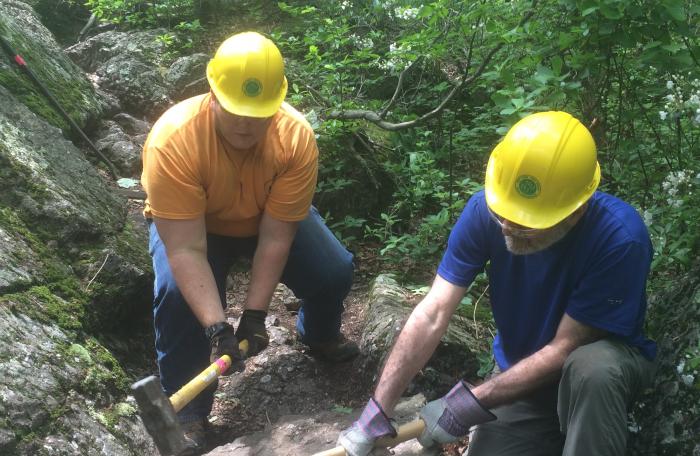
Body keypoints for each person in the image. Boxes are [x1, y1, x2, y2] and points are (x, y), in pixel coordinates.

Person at [338, 111, 657, 456]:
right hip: (523, 381)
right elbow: (434, 310)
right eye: (502, 211)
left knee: (591, 368)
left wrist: (468, 402)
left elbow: (566, 348)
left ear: (577, 210)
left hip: (597, 377)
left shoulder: (620, 239)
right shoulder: (483, 211)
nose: (506, 226)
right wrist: (377, 410)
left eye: (526, 222)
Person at [141, 31, 359, 454]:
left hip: (265, 219)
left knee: (333, 270)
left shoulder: (295, 138)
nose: (246, 123)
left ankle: (317, 333)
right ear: (212, 93)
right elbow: (185, 249)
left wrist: (256, 315)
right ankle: (188, 415)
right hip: (194, 226)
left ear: (277, 103)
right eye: (235, 109)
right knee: (176, 296)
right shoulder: (173, 140)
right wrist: (218, 327)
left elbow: (278, 235)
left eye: (259, 113)